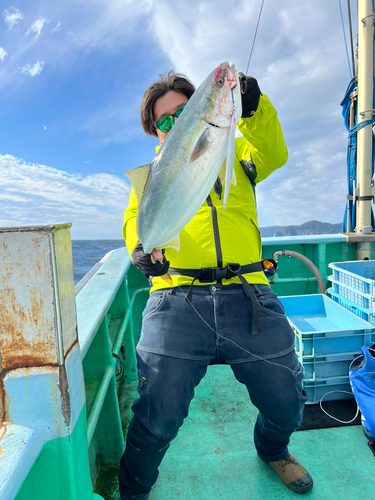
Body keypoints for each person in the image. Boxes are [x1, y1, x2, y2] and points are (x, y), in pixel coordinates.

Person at [120, 68, 313, 500]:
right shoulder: (149, 177)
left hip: (249, 293)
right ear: (156, 132)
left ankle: (274, 449)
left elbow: (274, 151)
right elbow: (136, 221)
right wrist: (139, 248)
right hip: (175, 295)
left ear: (197, 112)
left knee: (286, 400)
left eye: (182, 111)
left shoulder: (238, 149)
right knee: (157, 414)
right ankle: (133, 491)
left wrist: (255, 107)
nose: (173, 123)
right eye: (163, 120)